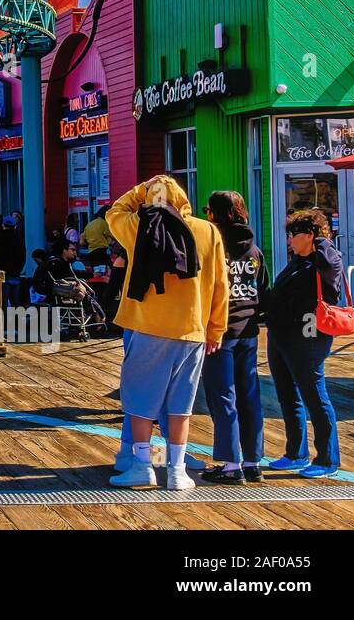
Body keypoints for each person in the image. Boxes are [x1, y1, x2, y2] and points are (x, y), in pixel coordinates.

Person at [106, 175, 228, 491]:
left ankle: (142, 466)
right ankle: (177, 471)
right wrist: (216, 328)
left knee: (140, 402)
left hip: (148, 327)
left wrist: (141, 191)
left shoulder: (139, 228)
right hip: (192, 330)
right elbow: (219, 286)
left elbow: (114, 213)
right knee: (180, 405)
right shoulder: (208, 231)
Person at [262, 207, 344, 478]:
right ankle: (295, 453)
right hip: (281, 337)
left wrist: (320, 239)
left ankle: (327, 458)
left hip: (308, 338)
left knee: (315, 396)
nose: (289, 240)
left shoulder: (325, 263)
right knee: (288, 396)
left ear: (309, 235)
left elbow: (332, 264)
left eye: (293, 235)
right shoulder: (296, 262)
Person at [199, 190, 268, 485]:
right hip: (249, 332)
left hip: (220, 333)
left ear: (216, 215)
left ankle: (230, 465)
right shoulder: (254, 250)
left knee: (223, 396)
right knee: (249, 395)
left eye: (208, 211)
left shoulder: (214, 247)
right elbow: (263, 290)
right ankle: (252, 461)